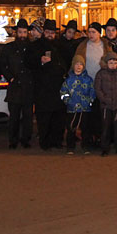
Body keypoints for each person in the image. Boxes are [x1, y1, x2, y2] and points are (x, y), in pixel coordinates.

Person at [27, 19, 67, 151]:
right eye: (48, 32)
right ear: (44, 32)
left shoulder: (60, 46)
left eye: (52, 32)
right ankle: (45, 142)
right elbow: (29, 63)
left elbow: (66, 63)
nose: (50, 34)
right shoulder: (35, 46)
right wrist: (40, 61)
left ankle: (57, 140)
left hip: (58, 86)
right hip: (42, 87)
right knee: (44, 117)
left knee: (58, 117)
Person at [75, 23, 112, 148]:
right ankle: (87, 139)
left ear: (99, 33)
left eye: (93, 32)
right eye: (89, 32)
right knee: (86, 114)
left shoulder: (106, 45)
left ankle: (99, 138)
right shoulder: (83, 46)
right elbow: (77, 61)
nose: (91, 34)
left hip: (101, 83)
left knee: (99, 113)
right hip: (86, 83)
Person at [0, 18, 33, 149]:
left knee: (28, 116)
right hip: (14, 86)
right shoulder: (9, 48)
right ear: (16, 33)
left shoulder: (32, 48)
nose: (23, 35)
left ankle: (26, 139)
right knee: (13, 116)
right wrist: (10, 78)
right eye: (20, 32)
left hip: (28, 86)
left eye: (25, 32)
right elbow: (2, 65)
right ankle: (12, 140)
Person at [60, 55, 95, 154]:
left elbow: (92, 91)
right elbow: (63, 92)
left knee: (85, 128)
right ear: (73, 66)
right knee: (71, 128)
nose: (79, 66)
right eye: (76, 64)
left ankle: (86, 146)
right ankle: (70, 147)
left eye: (81, 64)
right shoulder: (68, 80)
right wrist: (68, 101)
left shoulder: (88, 79)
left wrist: (90, 101)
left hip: (85, 107)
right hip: (72, 108)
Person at [95, 50, 117, 156]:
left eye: (115, 63)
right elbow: (98, 89)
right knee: (105, 128)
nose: (113, 65)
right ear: (106, 63)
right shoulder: (101, 74)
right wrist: (104, 99)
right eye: (110, 63)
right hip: (106, 105)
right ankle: (105, 147)